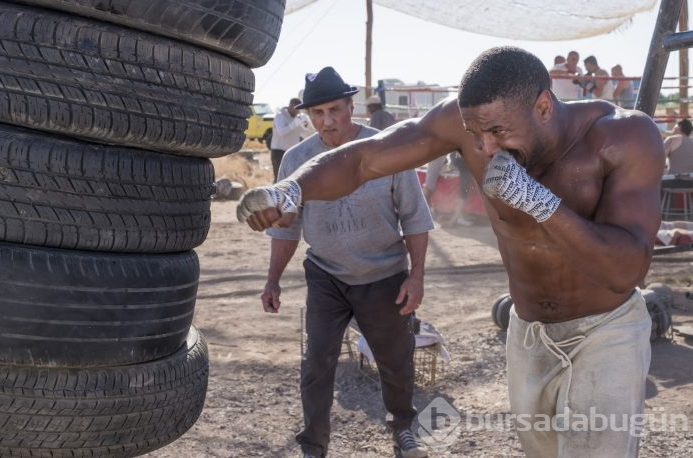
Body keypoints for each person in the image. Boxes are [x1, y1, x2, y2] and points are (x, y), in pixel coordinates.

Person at [237, 47, 665, 457]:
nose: (486, 149)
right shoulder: (469, 125)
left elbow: (626, 269)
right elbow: (365, 160)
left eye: (498, 132)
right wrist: (292, 189)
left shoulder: (622, 135)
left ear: (544, 108)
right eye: (476, 135)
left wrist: (541, 205)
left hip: (605, 332)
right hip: (529, 330)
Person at [260, 66, 433, 458]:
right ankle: (313, 447)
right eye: (317, 113)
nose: (327, 121)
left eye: (335, 110)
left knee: (395, 361)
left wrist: (417, 276)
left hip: (384, 274)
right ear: (307, 115)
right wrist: (273, 279)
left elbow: (415, 217)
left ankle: (403, 430)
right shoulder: (296, 161)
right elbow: (287, 228)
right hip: (326, 276)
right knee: (317, 361)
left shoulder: (386, 149)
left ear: (350, 107)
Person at [270, 97, 312, 181]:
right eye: (296, 109)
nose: (297, 111)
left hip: (292, 152)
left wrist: (307, 123)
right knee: (279, 179)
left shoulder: (297, 118)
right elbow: (282, 132)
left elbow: (305, 132)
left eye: (299, 109)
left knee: (292, 179)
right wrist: (295, 123)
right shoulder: (280, 116)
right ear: (290, 106)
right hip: (279, 152)